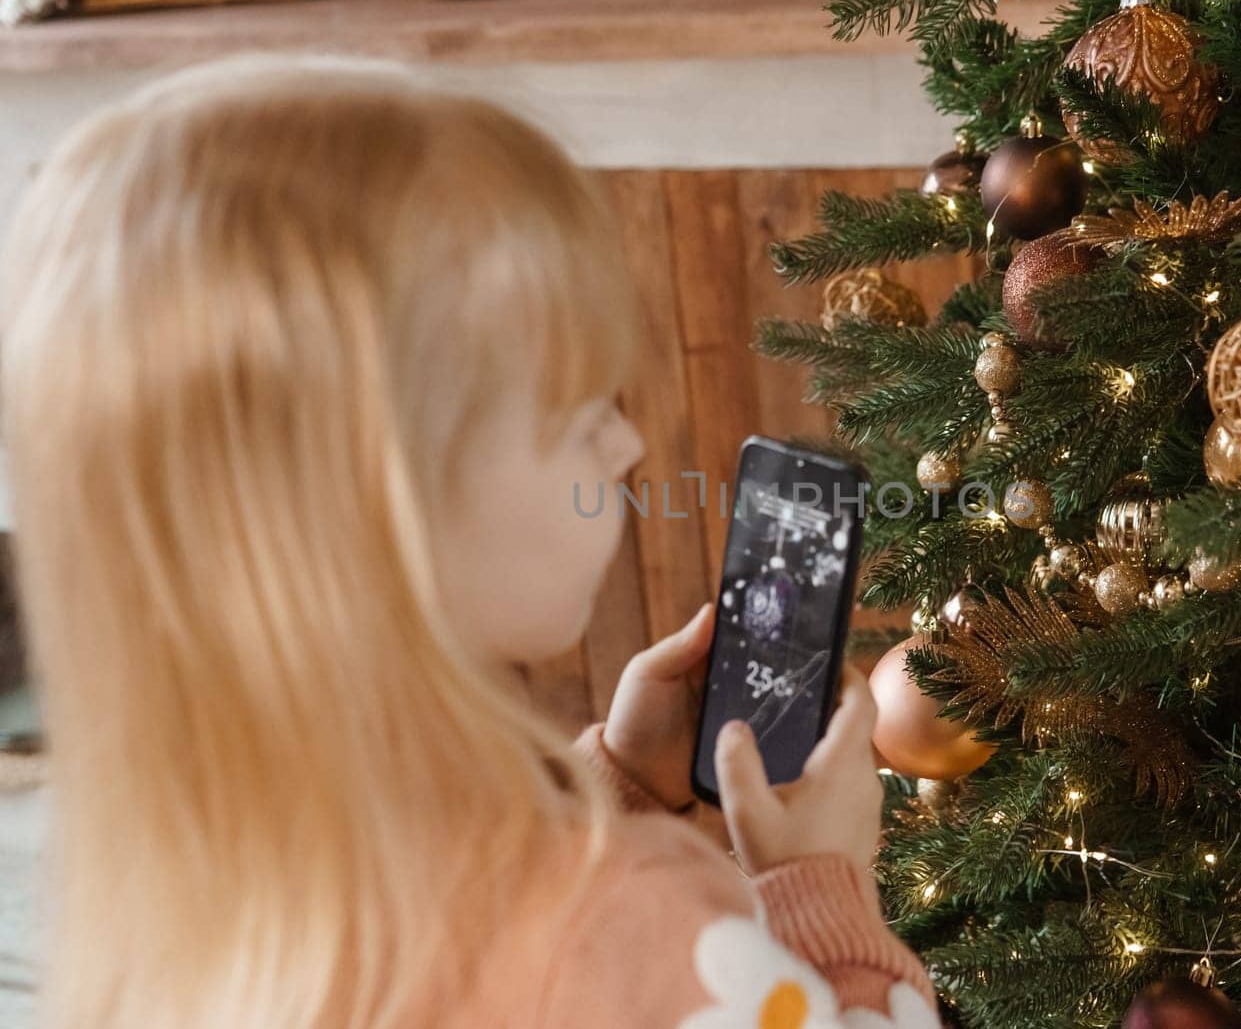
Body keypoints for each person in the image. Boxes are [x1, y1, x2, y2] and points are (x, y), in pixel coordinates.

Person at [0, 57, 936, 1029]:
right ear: (395, 514)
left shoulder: (167, 874)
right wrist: (819, 890)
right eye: (580, 418)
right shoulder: (632, 920)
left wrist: (611, 784)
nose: (625, 443)